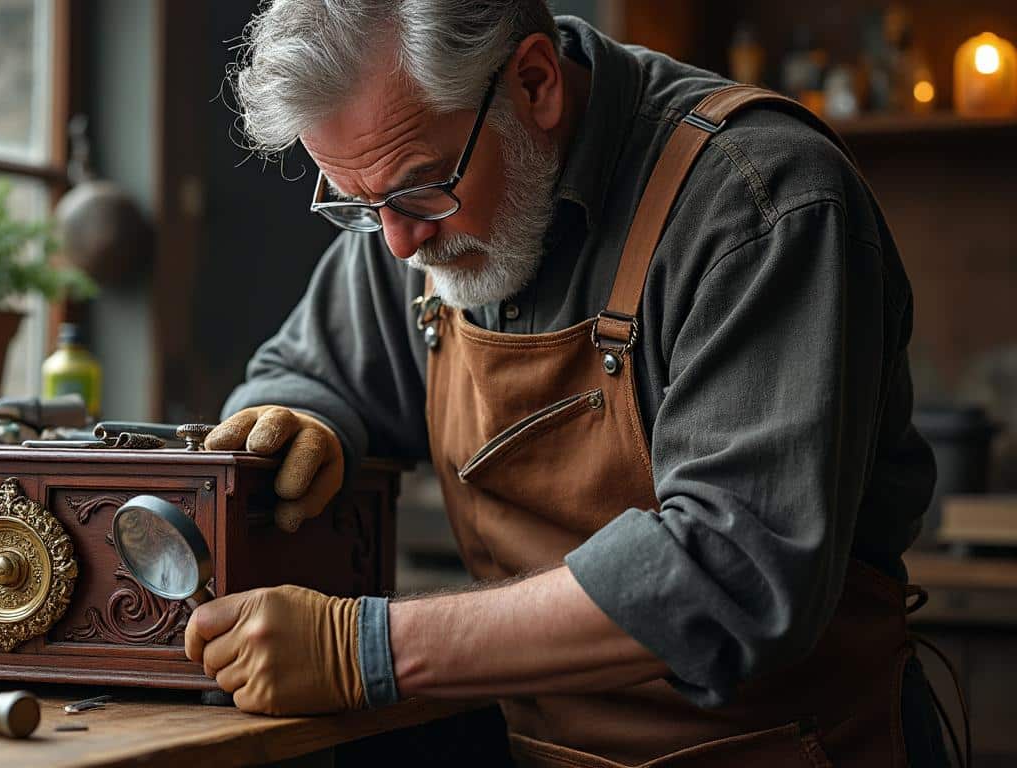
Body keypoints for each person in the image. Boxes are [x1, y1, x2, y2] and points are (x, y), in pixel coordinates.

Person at [184, 3, 952, 765]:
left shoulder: (759, 201)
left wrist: (363, 650)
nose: (397, 243)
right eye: (357, 204)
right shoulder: (412, 207)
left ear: (535, 82)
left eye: (420, 190)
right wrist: (299, 419)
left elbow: (735, 578)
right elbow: (303, 372)